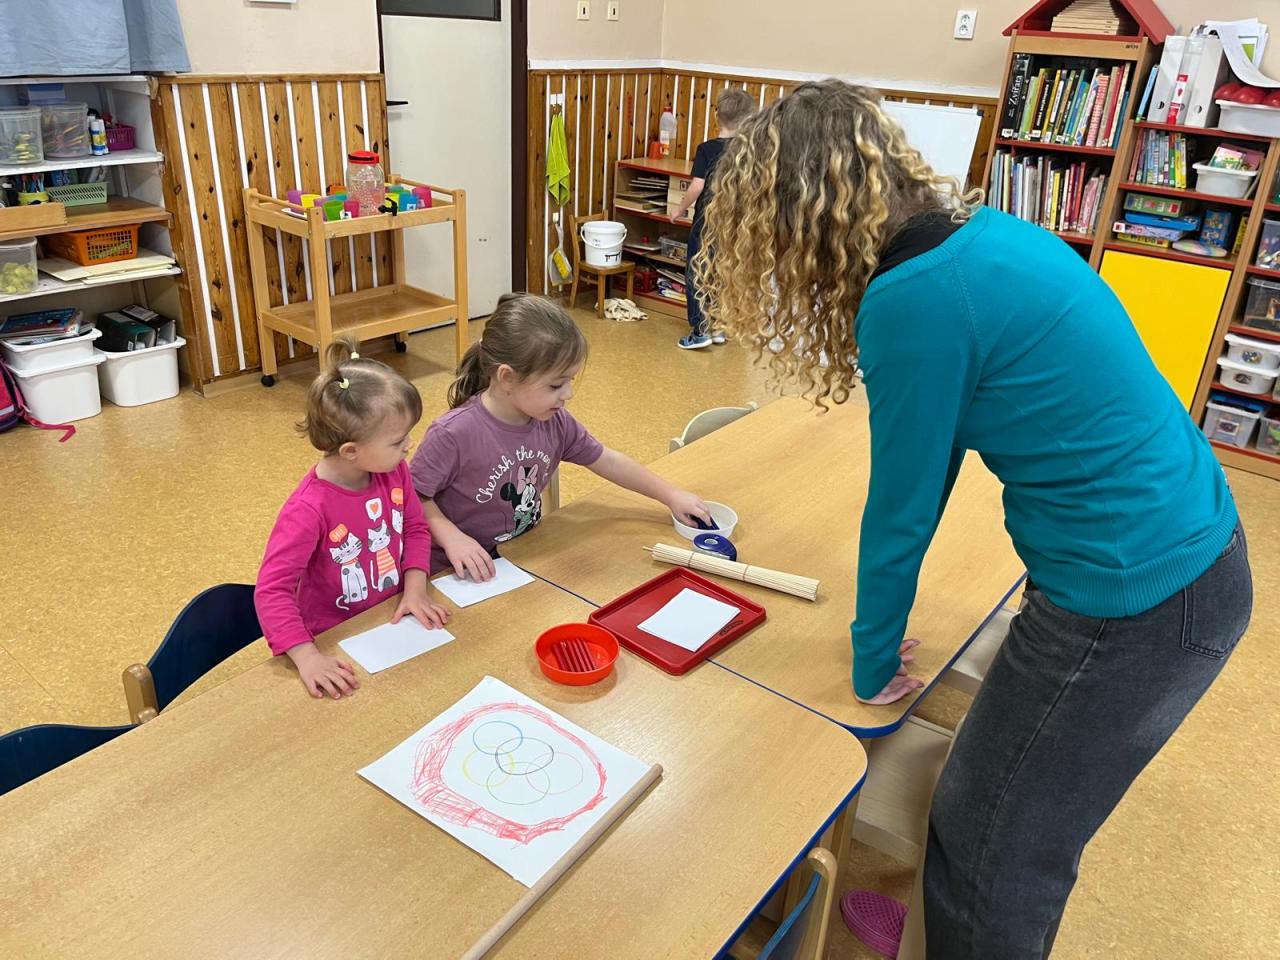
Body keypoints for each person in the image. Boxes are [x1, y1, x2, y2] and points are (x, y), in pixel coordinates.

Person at [693, 78, 1251, 958]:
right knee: (1000, 814)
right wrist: (884, 631)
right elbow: (937, 460)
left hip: (1134, 598)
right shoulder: (987, 235)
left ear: (804, 220)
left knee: (991, 848)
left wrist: (873, 657)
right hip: (1185, 548)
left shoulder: (911, 297)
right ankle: (937, 927)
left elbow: (902, 507)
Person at [411, 293, 711, 581]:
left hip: (519, 559)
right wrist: (451, 537)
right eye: (556, 385)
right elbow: (412, 495)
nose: (568, 394)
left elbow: (607, 460)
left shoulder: (554, 421)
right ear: (507, 378)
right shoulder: (452, 434)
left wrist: (671, 495)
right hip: (451, 573)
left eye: (569, 381)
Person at [256, 336, 450, 700]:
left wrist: (415, 589)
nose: (408, 445)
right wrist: (308, 657)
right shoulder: (308, 509)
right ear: (350, 451)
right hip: (334, 640)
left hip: (389, 619)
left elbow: (414, 528)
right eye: (397, 441)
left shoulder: (394, 470)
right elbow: (272, 591)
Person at [670, 86, 755, 350]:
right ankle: (718, 326)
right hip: (735, 224)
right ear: (747, 118)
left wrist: (680, 209)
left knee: (697, 272)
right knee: (722, 272)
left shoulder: (707, 149)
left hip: (707, 223)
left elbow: (697, 187)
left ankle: (700, 330)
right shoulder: (748, 151)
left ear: (717, 116)